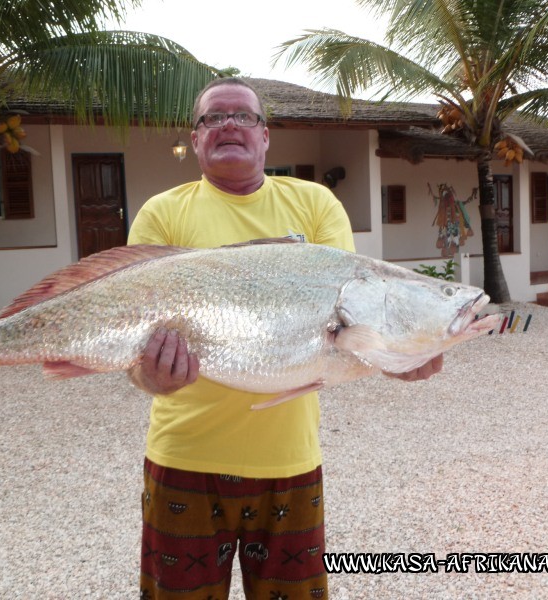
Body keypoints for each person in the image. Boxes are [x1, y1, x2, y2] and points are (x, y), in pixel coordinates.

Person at [127, 78, 442, 599]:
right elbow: (138, 356)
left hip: (289, 464)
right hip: (183, 457)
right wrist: (152, 377)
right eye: (213, 117)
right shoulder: (162, 213)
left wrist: (398, 354)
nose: (228, 124)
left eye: (243, 116)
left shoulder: (315, 205)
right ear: (197, 138)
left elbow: (344, 319)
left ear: (265, 136)